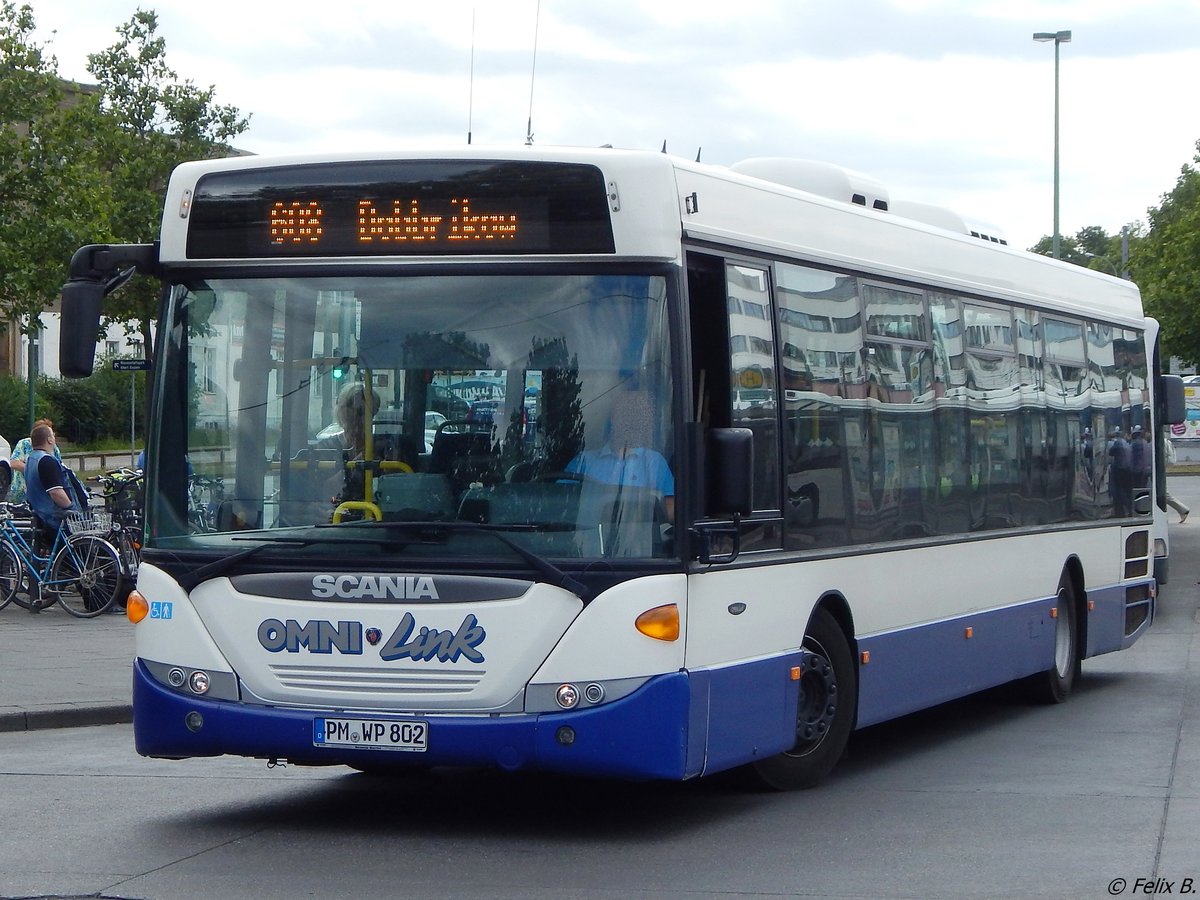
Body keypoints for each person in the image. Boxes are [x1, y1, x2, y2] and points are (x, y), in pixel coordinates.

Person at [566, 389, 675, 521]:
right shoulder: (584, 461)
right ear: (613, 419)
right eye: (624, 413)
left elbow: (671, 511)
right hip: (586, 538)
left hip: (640, 539)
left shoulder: (655, 462)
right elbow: (558, 503)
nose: (630, 420)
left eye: (637, 414)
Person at [24, 422, 86, 531]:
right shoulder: (46, 461)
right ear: (49, 440)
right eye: (53, 435)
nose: (54, 438)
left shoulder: (31, 459)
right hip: (55, 518)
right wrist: (72, 510)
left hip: (41, 515)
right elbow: (56, 492)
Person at [8, 418, 61, 504]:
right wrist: (35, 470)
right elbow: (14, 462)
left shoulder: (54, 449)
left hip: (43, 494)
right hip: (22, 492)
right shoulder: (24, 444)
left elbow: (59, 468)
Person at [1164, 433, 1190, 524]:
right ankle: (1182, 510)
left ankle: (1183, 510)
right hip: (1162, 468)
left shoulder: (1161, 442)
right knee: (1162, 494)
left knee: (1163, 493)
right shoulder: (1166, 441)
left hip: (1159, 469)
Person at [1107, 427, 1132, 517]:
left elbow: (1111, 452)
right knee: (1126, 489)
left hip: (1120, 469)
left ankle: (1120, 509)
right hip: (1128, 469)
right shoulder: (1126, 443)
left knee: (1118, 489)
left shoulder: (1118, 443)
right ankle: (1128, 508)